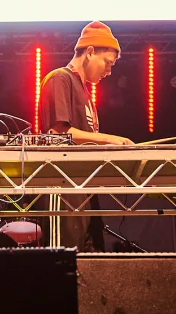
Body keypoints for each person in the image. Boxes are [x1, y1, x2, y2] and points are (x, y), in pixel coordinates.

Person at [39, 21, 133, 250]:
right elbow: (58, 133)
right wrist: (110, 139)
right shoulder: (59, 78)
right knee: (67, 256)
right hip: (63, 187)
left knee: (92, 256)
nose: (109, 71)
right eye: (107, 63)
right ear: (90, 52)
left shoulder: (84, 91)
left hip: (83, 187)